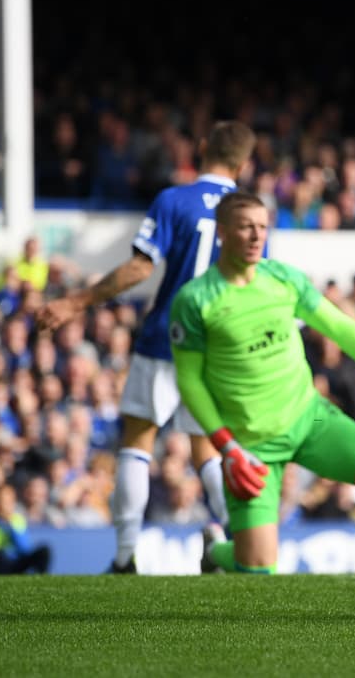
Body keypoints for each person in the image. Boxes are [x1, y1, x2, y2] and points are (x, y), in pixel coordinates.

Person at [169, 192, 355, 574]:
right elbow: (189, 380)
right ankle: (215, 553)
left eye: (262, 226)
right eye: (245, 227)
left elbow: (337, 325)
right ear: (222, 232)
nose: (257, 236)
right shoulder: (195, 300)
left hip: (311, 420)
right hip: (252, 444)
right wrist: (227, 445)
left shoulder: (283, 278)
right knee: (256, 568)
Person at [37, 120, 257, 573]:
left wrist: (77, 301)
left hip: (165, 339)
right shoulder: (249, 215)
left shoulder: (174, 199)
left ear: (200, 148)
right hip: (216, 348)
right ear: (244, 163)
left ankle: (124, 556)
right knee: (207, 450)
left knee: (138, 443)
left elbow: (140, 269)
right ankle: (236, 542)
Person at [0, 484, 52, 574]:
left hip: (13, 563)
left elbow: (24, 549)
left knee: (44, 552)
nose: (5, 505)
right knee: (1, 556)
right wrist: (5, 552)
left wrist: (11, 526)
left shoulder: (17, 520)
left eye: (9, 501)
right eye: (2, 501)